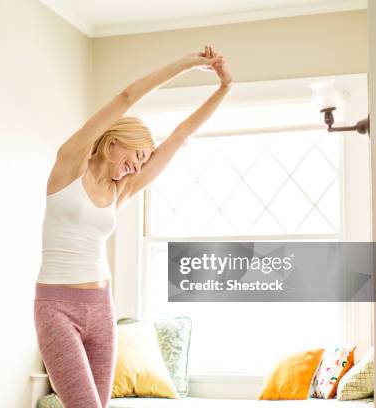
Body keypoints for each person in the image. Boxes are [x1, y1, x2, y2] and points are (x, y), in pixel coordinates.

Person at [33, 45, 233, 408]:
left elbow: (180, 137)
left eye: (143, 164)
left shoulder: (119, 190)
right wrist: (188, 63)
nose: (136, 169)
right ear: (115, 142)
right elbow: (127, 96)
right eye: (137, 156)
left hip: (102, 307)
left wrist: (222, 90)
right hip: (56, 308)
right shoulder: (69, 164)